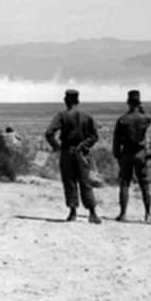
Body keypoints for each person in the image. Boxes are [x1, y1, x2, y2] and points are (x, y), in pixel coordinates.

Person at [44, 89, 101, 224]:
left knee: (69, 182)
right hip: (82, 153)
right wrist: (84, 145)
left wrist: (57, 146)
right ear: (78, 101)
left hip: (67, 152)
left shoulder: (62, 116)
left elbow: (48, 133)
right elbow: (94, 136)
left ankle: (72, 212)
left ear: (65, 101)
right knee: (85, 182)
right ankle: (92, 213)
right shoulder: (87, 116)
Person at [111, 89, 151, 222]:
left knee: (124, 183)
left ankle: (123, 214)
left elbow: (116, 140)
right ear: (139, 103)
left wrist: (117, 155)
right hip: (140, 153)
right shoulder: (145, 119)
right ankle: (148, 214)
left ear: (128, 103)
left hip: (126, 154)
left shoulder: (122, 120)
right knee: (144, 183)